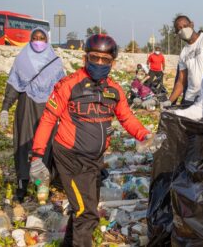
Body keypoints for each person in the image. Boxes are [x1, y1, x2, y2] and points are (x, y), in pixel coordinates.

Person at [29, 34, 155, 247]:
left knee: (83, 209)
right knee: (87, 214)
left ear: (112, 63)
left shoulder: (114, 90)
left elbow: (126, 117)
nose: (99, 63)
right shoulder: (69, 85)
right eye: (94, 58)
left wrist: (144, 135)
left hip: (94, 161)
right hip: (70, 158)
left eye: (104, 60)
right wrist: (37, 156)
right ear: (85, 58)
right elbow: (49, 118)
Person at [0, 27, 65, 203]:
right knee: (23, 143)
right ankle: (22, 184)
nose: (38, 41)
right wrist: (5, 107)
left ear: (47, 40)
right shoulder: (22, 59)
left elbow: (62, 90)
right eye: (35, 38)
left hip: (48, 109)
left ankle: (40, 185)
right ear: (30, 39)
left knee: (44, 147)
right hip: (26, 106)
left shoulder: (55, 62)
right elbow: (13, 84)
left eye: (41, 38)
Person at [161, 15, 203, 108]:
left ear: (192, 25)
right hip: (190, 99)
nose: (183, 30)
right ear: (177, 33)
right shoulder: (183, 53)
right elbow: (181, 82)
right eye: (179, 29)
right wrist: (170, 101)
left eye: (185, 26)